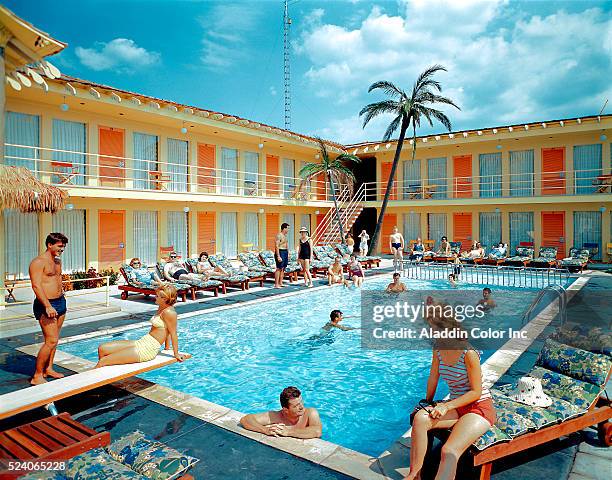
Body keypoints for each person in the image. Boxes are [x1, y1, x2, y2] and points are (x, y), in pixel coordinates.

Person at [405, 310, 496, 480]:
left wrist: (446, 405)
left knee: (449, 451)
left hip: (478, 408)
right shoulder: (438, 348)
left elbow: (476, 392)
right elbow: (434, 376)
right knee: (420, 418)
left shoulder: (468, 353)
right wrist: (427, 402)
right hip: (457, 405)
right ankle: (414, 475)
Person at [96, 284, 187, 367]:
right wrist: (166, 347)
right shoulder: (162, 307)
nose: (155, 297)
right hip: (142, 342)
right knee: (102, 349)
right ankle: (105, 378)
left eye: (157, 296)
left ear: (164, 299)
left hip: (147, 350)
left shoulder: (169, 312)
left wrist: (176, 354)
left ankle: (97, 380)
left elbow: (173, 333)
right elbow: (166, 329)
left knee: (103, 361)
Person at [29, 233, 69, 385]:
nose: (62, 249)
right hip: (46, 305)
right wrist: (47, 305)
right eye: (59, 246)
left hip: (60, 302)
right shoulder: (38, 262)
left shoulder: (57, 261)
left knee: (55, 339)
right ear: (49, 245)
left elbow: (56, 279)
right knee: (51, 340)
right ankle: (37, 376)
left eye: (63, 246)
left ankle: (49, 369)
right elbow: (36, 286)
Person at [240, 386, 322, 439]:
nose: (301, 407)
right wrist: (265, 430)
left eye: (301, 402)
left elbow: (317, 431)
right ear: (285, 409)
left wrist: (289, 432)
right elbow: (245, 419)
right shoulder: (276, 416)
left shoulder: (310, 413)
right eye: (296, 406)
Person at [275, 223, 290, 288]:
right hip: (280, 252)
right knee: (279, 268)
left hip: (285, 252)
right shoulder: (279, 235)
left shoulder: (285, 236)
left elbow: (286, 245)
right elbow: (276, 246)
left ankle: (280, 283)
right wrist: (278, 256)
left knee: (283, 268)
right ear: (284, 228)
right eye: (287, 228)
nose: (288, 230)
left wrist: (288, 253)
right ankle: (276, 284)